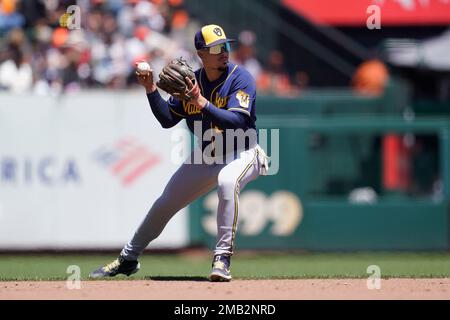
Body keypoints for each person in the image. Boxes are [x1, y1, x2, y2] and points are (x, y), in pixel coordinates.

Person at [90, 24, 268, 282]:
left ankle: (222, 258)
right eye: (215, 48)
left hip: (243, 150)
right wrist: (151, 89)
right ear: (201, 54)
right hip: (207, 155)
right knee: (165, 203)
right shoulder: (189, 82)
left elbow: (237, 122)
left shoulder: (240, 78)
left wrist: (201, 102)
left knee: (227, 181)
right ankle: (128, 259)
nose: (223, 52)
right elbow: (166, 119)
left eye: (225, 46)